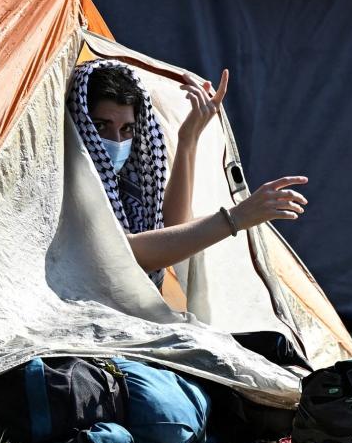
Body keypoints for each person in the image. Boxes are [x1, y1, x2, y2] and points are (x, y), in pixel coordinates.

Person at [67, 59, 308, 285]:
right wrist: (235, 218)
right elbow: (126, 254)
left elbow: (172, 230)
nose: (116, 141)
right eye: (100, 127)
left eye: (127, 129)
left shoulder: (126, 178)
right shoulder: (66, 180)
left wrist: (188, 140)